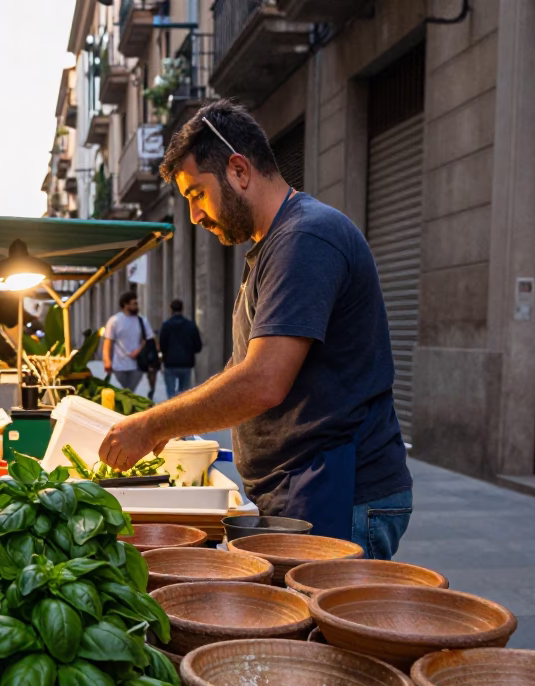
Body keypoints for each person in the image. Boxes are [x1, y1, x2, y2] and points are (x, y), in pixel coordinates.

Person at [98, 99, 413, 559]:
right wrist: (175, 422)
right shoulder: (272, 246)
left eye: (197, 194)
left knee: (311, 628)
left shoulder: (305, 238)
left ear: (239, 170)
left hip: (340, 488)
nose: (195, 215)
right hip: (303, 483)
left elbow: (263, 380)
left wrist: (152, 423)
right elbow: (241, 369)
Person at [102, 291, 156, 394]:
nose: (137, 306)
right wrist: (107, 361)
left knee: (132, 394)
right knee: (122, 394)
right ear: (125, 305)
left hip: (137, 366)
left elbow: (149, 339)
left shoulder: (142, 320)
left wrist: (138, 350)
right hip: (118, 367)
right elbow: (107, 342)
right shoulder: (114, 321)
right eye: (134, 303)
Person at [158, 298, 203, 398]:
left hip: (170, 363)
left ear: (171, 310)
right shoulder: (191, 325)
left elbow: (162, 346)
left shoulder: (166, 326)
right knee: (184, 393)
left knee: (171, 393)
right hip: (186, 363)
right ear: (182, 309)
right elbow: (198, 346)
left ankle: (171, 411)